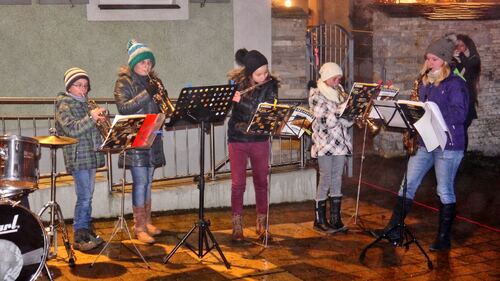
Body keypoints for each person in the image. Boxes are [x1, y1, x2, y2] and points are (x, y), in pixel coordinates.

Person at [375, 38, 469, 251]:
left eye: (434, 59)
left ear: (445, 60)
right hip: (426, 141)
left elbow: (460, 114)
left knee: (444, 190)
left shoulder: (456, 84)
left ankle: (444, 238)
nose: (429, 63)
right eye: (427, 58)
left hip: (448, 144)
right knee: (407, 184)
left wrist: (432, 113)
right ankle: (394, 229)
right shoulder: (425, 82)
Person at [114, 39, 165, 244]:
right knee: (140, 182)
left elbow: (159, 106)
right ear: (134, 64)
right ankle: (139, 227)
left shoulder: (154, 82)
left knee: (149, 183)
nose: (147, 66)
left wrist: (162, 99)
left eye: (149, 63)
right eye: (143, 62)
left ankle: (147, 222)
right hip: (136, 137)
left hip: (153, 136)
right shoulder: (123, 82)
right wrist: (147, 94)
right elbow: (124, 108)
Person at [227, 48, 279, 242]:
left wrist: (242, 102)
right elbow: (232, 111)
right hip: (238, 138)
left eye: (265, 72)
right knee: (238, 184)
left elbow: (263, 110)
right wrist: (231, 100)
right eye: (259, 74)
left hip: (259, 138)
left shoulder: (270, 85)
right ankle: (237, 226)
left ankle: (262, 224)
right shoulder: (236, 85)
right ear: (249, 73)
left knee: (261, 182)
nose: (264, 76)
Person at [55, 67, 106, 251]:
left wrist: (99, 122)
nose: (83, 89)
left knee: (88, 195)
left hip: (90, 155)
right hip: (78, 157)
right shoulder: (64, 104)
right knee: (84, 196)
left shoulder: (86, 104)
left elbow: (88, 128)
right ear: (69, 87)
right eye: (78, 85)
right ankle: (79, 234)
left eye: (85, 85)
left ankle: (86, 228)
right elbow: (72, 129)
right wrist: (92, 118)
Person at [308, 62, 352, 234]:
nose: (338, 81)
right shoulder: (316, 94)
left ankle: (335, 218)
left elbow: (346, 122)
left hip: (340, 143)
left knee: (337, 178)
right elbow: (324, 122)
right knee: (325, 177)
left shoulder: (340, 92)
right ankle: (319, 220)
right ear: (326, 78)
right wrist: (341, 110)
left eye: (339, 78)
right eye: (335, 78)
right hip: (324, 143)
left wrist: (351, 113)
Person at [454, 34, 481, 135]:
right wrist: (455, 61)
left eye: (461, 46)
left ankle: (462, 151)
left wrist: (460, 56)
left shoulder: (475, 59)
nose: (459, 48)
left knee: (464, 126)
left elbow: (468, 66)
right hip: (459, 96)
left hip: (469, 96)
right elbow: (458, 75)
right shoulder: (460, 60)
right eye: (457, 46)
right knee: (460, 128)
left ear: (468, 46)